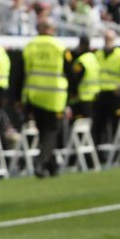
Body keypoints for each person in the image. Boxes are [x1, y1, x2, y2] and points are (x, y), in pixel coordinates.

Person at [21, 17, 70, 178]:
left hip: (35, 97)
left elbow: (21, 74)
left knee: (43, 132)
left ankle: (52, 165)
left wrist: (20, 98)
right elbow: (70, 73)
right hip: (54, 98)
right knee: (51, 131)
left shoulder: (30, 46)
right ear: (51, 29)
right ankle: (41, 164)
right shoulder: (59, 47)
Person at [93, 31, 120, 145]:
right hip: (101, 94)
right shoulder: (98, 54)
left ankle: (117, 152)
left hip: (115, 95)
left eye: (110, 39)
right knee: (99, 125)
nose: (108, 41)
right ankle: (99, 153)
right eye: (106, 39)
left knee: (117, 123)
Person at [71, 36, 100, 124]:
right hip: (93, 98)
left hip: (81, 99)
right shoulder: (93, 58)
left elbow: (74, 80)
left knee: (78, 126)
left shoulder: (81, 61)